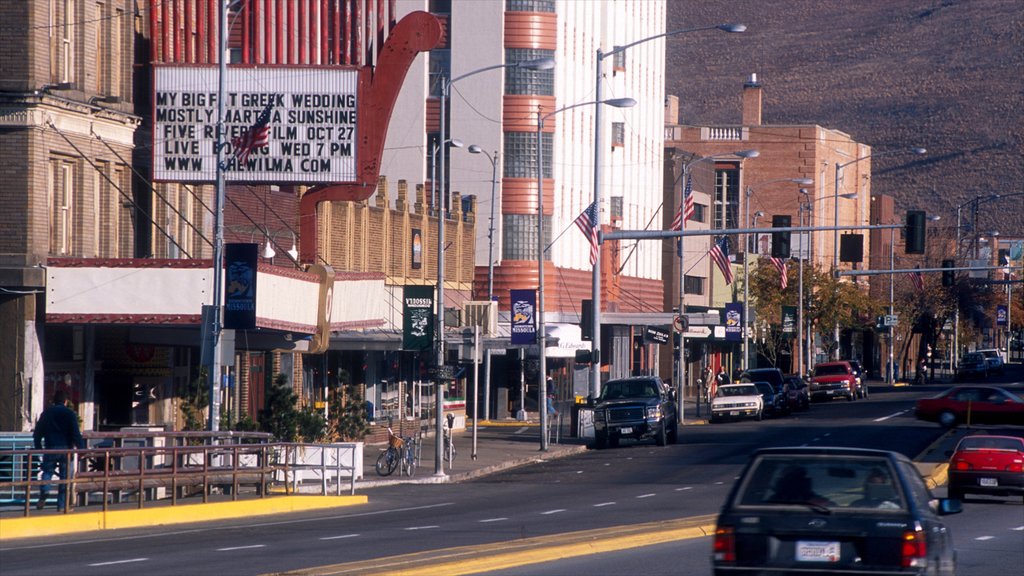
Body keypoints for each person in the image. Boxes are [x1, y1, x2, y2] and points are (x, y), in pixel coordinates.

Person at [33, 390, 85, 510]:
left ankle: (45, 491)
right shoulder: (70, 413)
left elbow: (38, 432)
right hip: (66, 450)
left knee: (47, 472)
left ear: (54, 401)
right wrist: (81, 449)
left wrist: (38, 448)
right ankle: (61, 505)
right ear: (65, 401)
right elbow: (75, 434)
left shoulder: (46, 413)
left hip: (50, 448)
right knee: (65, 478)